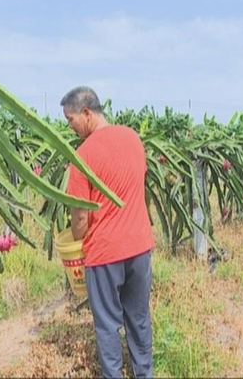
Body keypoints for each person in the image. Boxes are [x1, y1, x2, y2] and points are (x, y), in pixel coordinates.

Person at [61, 86, 155, 378]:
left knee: (107, 325)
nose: (70, 127)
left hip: (104, 254)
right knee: (139, 318)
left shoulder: (82, 155)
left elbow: (79, 215)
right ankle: (144, 374)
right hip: (140, 246)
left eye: (71, 120)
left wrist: (79, 244)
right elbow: (138, 181)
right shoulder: (133, 138)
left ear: (87, 113)